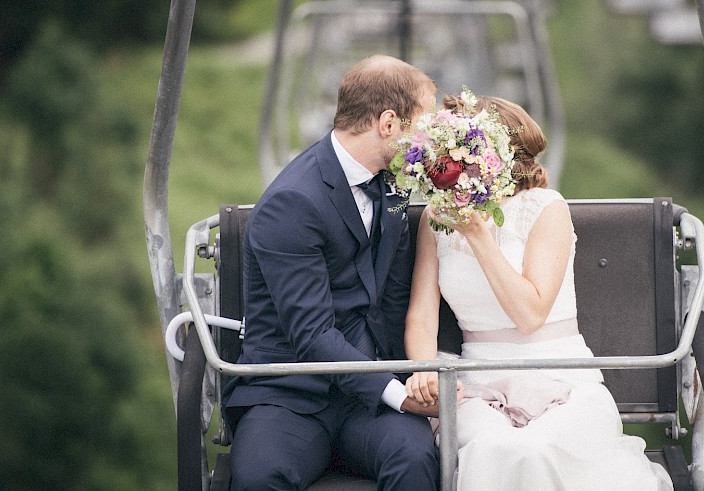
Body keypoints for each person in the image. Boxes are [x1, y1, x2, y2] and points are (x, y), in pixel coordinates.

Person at [403, 95, 674, 490]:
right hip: (479, 384)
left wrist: (479, 236)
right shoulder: (435, 217)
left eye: (461, 155)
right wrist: (425, 371)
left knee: (536, 450)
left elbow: (530, 315)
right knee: (496, 447)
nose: (451, 167)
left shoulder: (547, 208)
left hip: (562, 379)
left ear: (496, 161)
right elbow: (422, 316)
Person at [222, 55, 441, 490]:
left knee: (415, 459)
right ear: (389, 123)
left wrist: (419, 375)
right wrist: (397, 396)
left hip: (367, 398)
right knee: (259, 478)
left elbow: (394, 298)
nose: (429, 141)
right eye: (424, 126)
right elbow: (311, 334)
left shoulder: (393, 185)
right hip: (290, 393)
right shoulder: (292, 203)